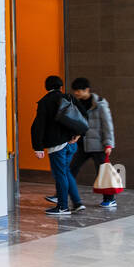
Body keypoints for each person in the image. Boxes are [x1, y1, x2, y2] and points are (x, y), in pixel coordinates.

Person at [29, 75, 83, 216]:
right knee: (65, 172)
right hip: (71, 144)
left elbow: (38, 126)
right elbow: (83, 116)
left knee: (60, 175)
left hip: (57, 145)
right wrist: (78, 135)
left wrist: (38, 147)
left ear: (47, 87)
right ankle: (77, 203)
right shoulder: (68, 98)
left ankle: (63, 207)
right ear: (60, 86)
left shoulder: (45, 102)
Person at [60, 77, 117, 208]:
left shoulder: (100, 104)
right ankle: (61, 194)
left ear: (87, 90)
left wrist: (108, 144)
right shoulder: (77, 104)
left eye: (79, 91)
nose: (76, 93)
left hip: (98, 146)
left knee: (102, 172)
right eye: (75, 91)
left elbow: (108, 125)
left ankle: (110, 198)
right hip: (83, 145)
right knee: (71, 169)